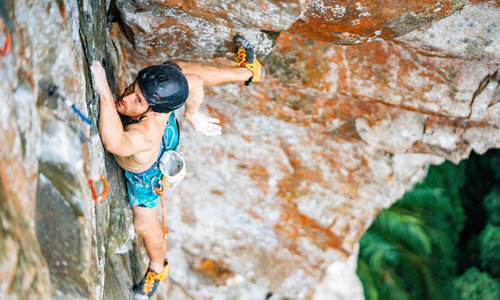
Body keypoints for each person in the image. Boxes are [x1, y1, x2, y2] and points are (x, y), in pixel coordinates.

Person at [90, 36, 265, 299]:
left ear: (154, 113)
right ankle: (246, 71)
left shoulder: (145, 135)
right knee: (174, 73)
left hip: (145, 174)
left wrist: (104, 90)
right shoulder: (161, 104)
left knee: (144, 223)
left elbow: (115, 142)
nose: (125, 98)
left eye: (137, 100)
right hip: (168, 132)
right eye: (131, 88)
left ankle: (157, 269)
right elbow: (194, 82)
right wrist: (192, 114)